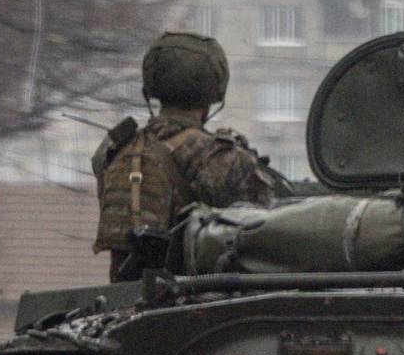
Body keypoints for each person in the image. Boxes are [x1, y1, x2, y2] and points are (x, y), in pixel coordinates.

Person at [91, 30, 287, 278]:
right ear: (213, 96)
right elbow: (268, 236)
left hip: (123, 305)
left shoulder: (113, 150)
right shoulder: (226, 161)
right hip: (195, 305)